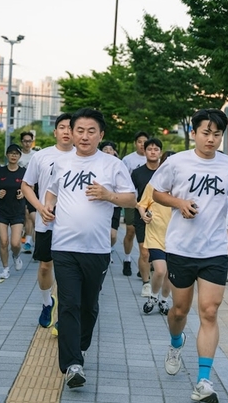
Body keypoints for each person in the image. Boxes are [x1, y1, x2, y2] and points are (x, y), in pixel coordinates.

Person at [150, 109, 228, 403]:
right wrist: (179, 203)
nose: (211, 139)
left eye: (217, 134)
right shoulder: (176, 162)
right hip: (181, 248)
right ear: (194, 133)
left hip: (214, 250)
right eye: (206, 133)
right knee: (179, 310)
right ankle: (176, 342)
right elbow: (156, 193)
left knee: (210, 311)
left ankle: (204, 380)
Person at [40, 108, 136, 389]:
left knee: (89, 306)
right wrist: (47, 206)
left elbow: (131, 199)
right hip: (64, 245)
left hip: (96, 249)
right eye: (78, 130)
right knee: (69, 303)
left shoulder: (112, 165)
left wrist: (108, 195)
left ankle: (78, 350)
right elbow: (53, 190)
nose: (83, 136)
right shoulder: (61, 162)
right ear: (71, 132)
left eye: (90, 131)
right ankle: (72, 364)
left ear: (101, 134)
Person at [21, 113, 74, 331]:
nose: (66, 131)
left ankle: (63, 313)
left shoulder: (82, 158)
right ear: (55, 132)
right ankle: (46, 303)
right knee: (45, 267)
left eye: (71, 128)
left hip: (71, 225)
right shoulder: (41, 156)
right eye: (62, 127)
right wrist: (40, 207)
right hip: (46, 222)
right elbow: (26, 186)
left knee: (65, 271)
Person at [138, 150, 175, 315]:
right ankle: (153, 296)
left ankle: (164, 300)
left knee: (170, 274)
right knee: (160, 270)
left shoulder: (182, 187)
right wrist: (143, 214)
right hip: (155, 234)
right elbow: (141, 204)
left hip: (175, 237)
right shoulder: (153, 185)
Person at [0, 144, 26, 280]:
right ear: (7, 155)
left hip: (17, 210)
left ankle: (16, 256)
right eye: (11, 153)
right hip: (2, 211)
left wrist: (23, 193)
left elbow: (31, 187)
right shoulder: (0, 171)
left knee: (16, 243)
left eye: (16, 154)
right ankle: (5, 269)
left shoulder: (24, 172)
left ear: (19, 156)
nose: (13, 156)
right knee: (4, 241)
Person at [131, 138, 162, 294]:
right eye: (150, 149)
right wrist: (141, 209)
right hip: (142, 216)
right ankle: (146, 283)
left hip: (162, 220)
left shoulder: (165, 172)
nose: (153, 152)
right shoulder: (137, 173)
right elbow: (131, 196)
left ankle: (159, 280)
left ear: (160, 153)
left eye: (156, 149)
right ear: (144, 151)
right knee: (144, 252)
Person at [120, 131, 149, 276]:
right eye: (139, 141)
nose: (142, 144)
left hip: (150, 202)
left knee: (148, 234)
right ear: (135, 143)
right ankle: (126, 259)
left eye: (145, 141)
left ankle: (144, 265)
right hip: (133, 200)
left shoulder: (153, 159)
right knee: (131, 230)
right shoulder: (128, 160)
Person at [18, 131, 38, 253]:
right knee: (26, 217)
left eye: (29, 141)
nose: (27, 143)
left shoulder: (36, 155)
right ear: (22, 142)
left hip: (33, 189)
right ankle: (28, 238)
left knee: (30, 215)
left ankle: (29, 241)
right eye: (25, 141)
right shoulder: (17, 155)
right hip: (19, 189)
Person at [99, 141, 121, 247]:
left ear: (114, 152)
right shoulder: (96, 165)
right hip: (100, 205)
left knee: (112, 235)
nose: (108, 151)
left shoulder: (119, 166)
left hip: (115, 205)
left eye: (110, 149)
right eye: (105, 149)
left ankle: (109, 248)